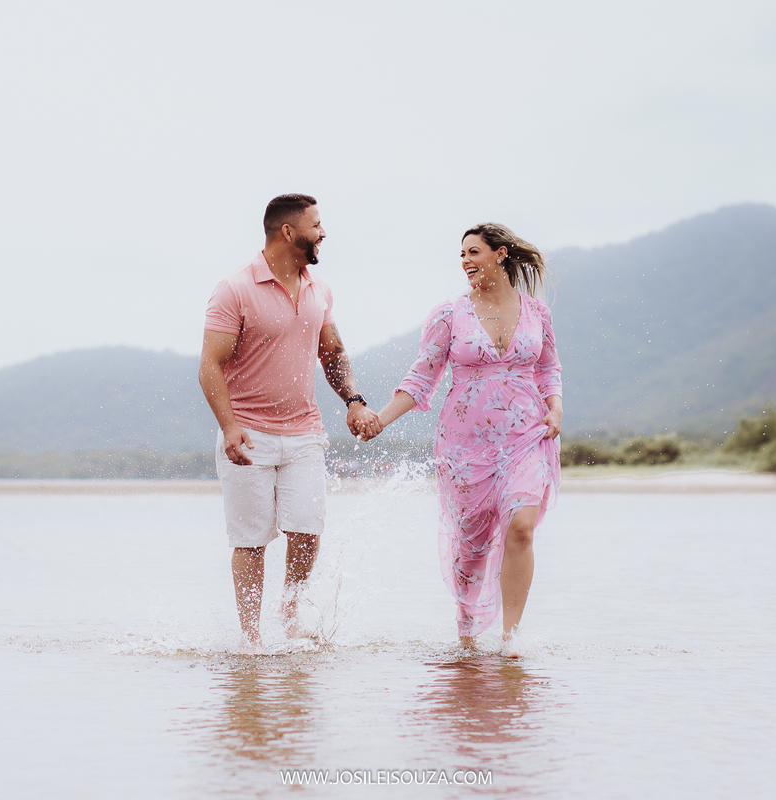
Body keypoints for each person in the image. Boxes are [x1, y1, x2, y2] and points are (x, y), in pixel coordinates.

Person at [367, 223, 562, 657]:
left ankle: (512, 638)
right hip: (464, 446)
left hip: (526, 435)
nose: (466, 262)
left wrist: (556, 406)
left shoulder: (537, 313)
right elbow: (422, 378)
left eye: (474, 252)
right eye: (462, 256)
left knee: (522, 528)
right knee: (470, 547)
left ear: (501, 254)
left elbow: (549, 368)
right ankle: (468, 634)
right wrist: (381, 420)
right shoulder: (449, 315)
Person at [199, 194, 381, 650]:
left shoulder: (319, 290)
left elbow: (332, 353)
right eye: (317, 225)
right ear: (288, 232)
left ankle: (290, 612)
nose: (324, 233)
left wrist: (354, 400)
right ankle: (251, 635)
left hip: (304, 433)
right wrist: (229, 426)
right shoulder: (234, 289)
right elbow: (210, 366)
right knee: (251, 540)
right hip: (248, 435)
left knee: (307, 530)